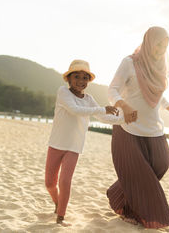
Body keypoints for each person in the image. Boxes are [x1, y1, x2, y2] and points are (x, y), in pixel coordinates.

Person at [106, 26, 169, 228]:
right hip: (129, 128)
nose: (161, 49)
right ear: (149, 41)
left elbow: (158, 96)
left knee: (161, 165)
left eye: (165, 45)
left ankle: (116, 193)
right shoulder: (130, 62)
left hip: (154, 129)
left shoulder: (160, 67)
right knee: (140, 174)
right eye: (158, 43)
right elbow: (112, 89)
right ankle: (141, 214)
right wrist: (124, 105)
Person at [45, 59, 123, 226]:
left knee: (65, 181)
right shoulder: (63, 92)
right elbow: (75, 110)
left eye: (85, 78)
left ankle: (60, 216)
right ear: (69, 78)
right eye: (77, 77)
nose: (81, 81)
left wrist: (124, 120)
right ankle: (57, 203)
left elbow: (103, 117)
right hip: (56, 144)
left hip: (74, 147)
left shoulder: (89, 99)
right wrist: (102, 108)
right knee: (50, 183)